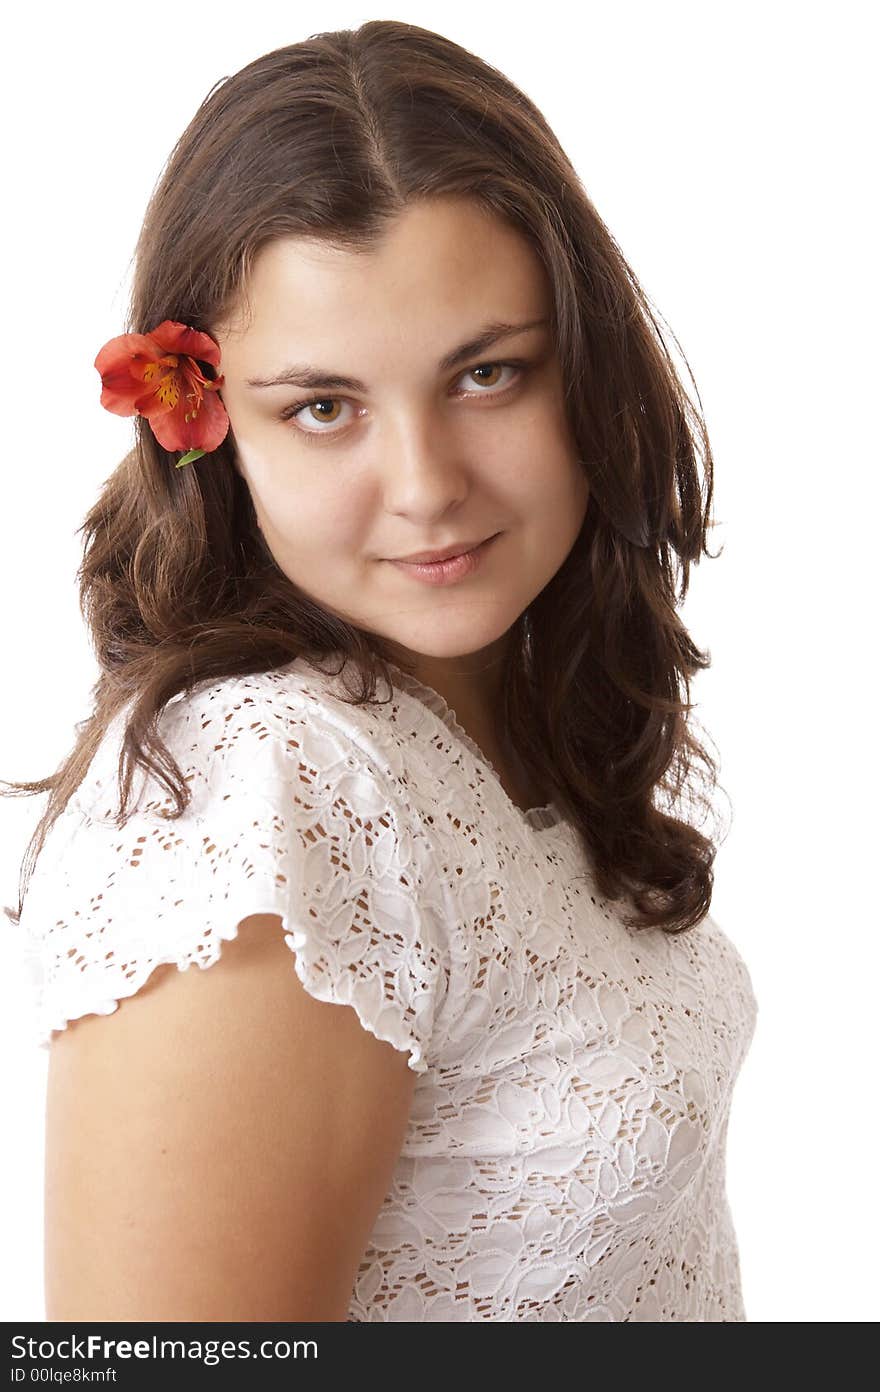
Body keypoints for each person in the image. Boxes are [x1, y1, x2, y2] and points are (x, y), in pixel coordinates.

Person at [3, 20, 758, 1322]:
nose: (426, 489)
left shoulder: (495, 726)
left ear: (586, 364)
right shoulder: (265, 797)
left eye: (486, 374)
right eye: (323, 406)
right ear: (210, 427)